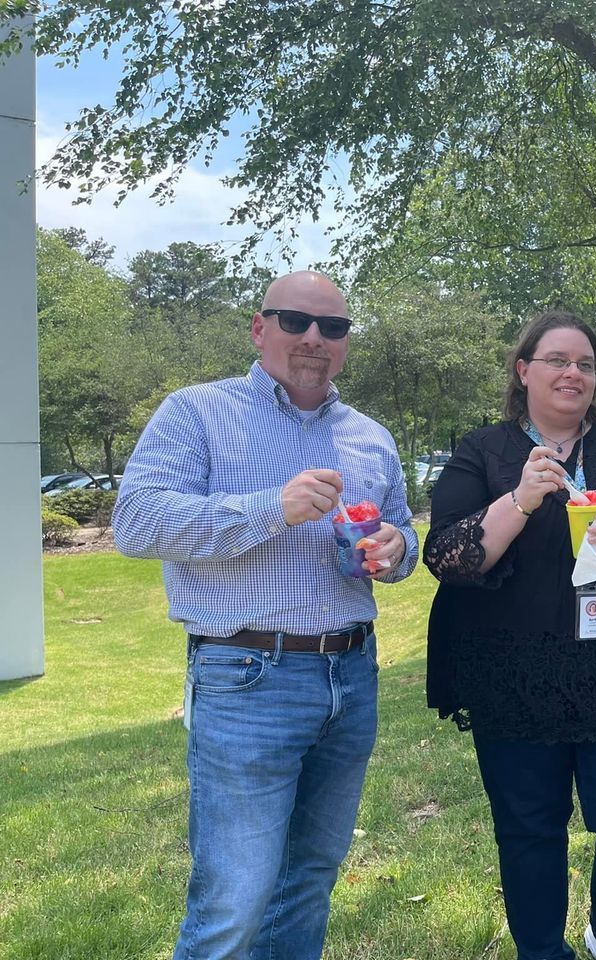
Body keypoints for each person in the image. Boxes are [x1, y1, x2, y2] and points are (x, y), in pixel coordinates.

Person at [113, 271, 419, 960]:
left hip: (350, 673)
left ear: (345, 344)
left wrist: (397, 547)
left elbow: (401, 537)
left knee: (309, 880)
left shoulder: (369, 436)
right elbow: (135, 523)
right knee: (235, 899)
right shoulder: (197, 412)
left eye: (332, 328)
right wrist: (270, 508)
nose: (314, 338)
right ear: (259, 328)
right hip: (245, 674)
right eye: (294, 321)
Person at [424, 310, 596, 960]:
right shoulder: (484, 451)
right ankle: (542, 951)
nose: (573, 373)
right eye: (557, 359)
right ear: (524, 370)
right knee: (528, 832)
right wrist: (520, 499)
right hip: (513, 675)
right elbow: (449, 556)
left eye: (584, 362)